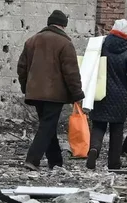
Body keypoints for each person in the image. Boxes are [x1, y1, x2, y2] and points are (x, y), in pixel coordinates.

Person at [17, 10, 84, 171]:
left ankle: (55, 161)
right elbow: (71, 72)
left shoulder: (31, 41)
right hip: (55, 94)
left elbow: (22, 68)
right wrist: (77, 94)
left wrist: (26, 87)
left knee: (48, 126)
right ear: (63, 25)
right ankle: (32, 159)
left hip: (35, 93)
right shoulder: (65, 43)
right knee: (47, 126)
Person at [87, 19, 127, 170]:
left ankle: (94, 149)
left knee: (98, 125)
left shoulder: (101, 46)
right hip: (120, 97)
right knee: (117, 130)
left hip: (101, 92)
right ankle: (114, 163)